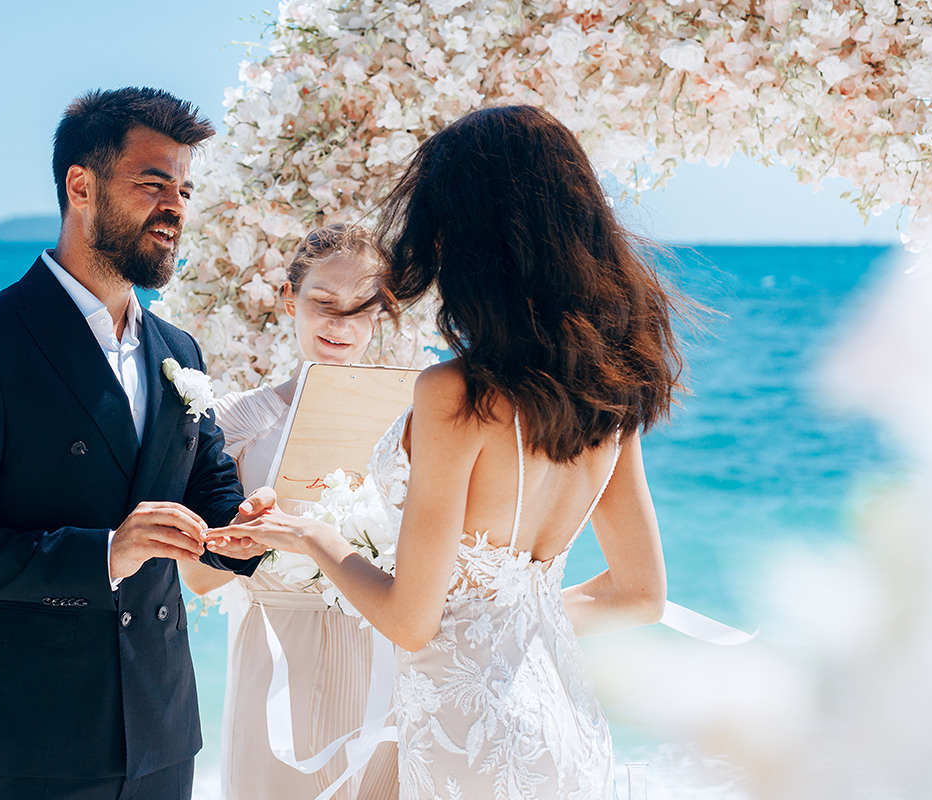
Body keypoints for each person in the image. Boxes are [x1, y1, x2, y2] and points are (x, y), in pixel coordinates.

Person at [214, 105, 680, 799]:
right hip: (563, 719)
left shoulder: (456, 394)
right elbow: (640, 595)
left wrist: (312, 534)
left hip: (470, 739)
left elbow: (409, 621)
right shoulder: (614, 380)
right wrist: (505, 621)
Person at [0, 87, 270, 800]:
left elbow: (207, 491)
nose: (176, 208)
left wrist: (248, 525)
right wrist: (106, 553)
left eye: (185, 189)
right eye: (153, 184)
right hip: (24, 738)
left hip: (161, 727)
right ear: (81, 185)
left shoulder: (179, 349)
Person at [179, 224, 400, 799]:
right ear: (288, 300)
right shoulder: (233, 424)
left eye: (360, 309)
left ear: (381, 313)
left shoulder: (411, 421)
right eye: (323, 304)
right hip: (277, 654)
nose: (340, 325)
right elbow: (197, 579)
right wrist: (247, 539)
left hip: (383, 653)